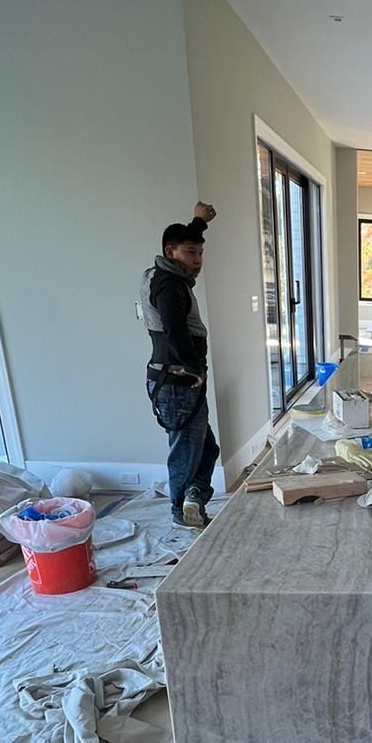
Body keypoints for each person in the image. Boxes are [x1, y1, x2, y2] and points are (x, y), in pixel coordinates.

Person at [140, 202, 219, 529]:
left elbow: (185, 238)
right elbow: (174, 330)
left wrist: (199, 221)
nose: (197, 260)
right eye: (190, 253)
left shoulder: (165, 275)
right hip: (177, 383)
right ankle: (182, 511)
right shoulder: (170, 285)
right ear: (170, 252)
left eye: (200, 253)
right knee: (186, 452)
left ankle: (193, 498)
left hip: (173, 382)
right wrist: (192, 370)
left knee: (205, 448)